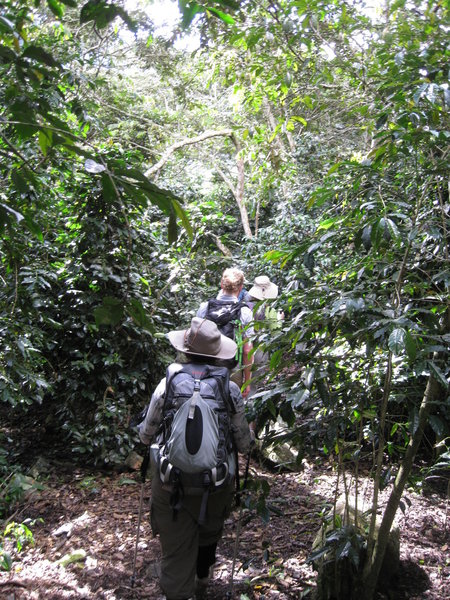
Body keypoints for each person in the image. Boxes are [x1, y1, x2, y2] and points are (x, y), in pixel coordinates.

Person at [137, 317, 252, 600]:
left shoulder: (168, 384)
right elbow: (243, 444)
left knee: (175, 550)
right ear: (217, 355)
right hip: (215, 484)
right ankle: (202, 580)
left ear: (185, 350)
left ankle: (178, 591)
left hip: (170, 483)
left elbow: (145, 435)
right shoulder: (230, 389)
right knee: (208, 535)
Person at [197, 267, 254, 398]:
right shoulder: (244, 312)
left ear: (222, 284)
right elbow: (247, 350)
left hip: (205, 367)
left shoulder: (204, 308)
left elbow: (196, 339)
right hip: (232, 369)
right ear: (240, 288)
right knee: (232, 408)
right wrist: (247, 381)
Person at [246, 276, 283, 424]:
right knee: (253, 388)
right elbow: (276, 334)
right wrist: (279, 319)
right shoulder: (269, 310)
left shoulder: (244, 304)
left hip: (240, 349)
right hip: (259, 352)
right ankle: (249, 426)